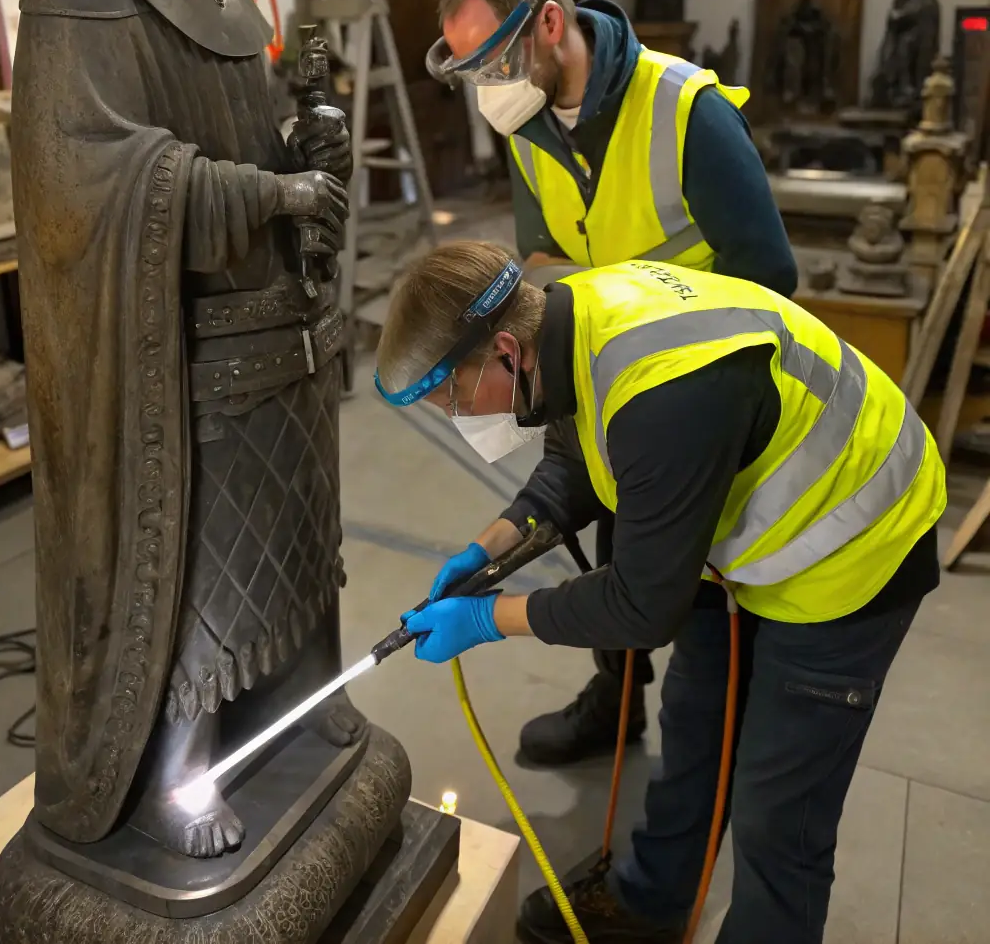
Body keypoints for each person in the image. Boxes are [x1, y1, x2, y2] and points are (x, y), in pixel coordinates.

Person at [374, 241, 945, 944]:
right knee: (694, 715)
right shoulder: (566, 316)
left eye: (453, 397)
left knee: (778, 808)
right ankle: (653, 900)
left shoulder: (664, 391)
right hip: (735, 530)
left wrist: (486, 617)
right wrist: (490, 548)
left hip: (853, 543)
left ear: (503, 350)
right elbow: (574, 457)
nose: (458, 417)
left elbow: (642, 604)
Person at [426, 0, 797, 767]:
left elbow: (772, 277)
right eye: (472, 70)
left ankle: (699, 754)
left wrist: (655, 328)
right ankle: (617, 695)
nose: (488, 86)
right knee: (602, 534)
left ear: (550, 24)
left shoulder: (682, 109)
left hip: (698, 394)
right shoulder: (526, 129)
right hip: (604, 376)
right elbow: (542, 261)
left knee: (680, 590)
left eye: (494, 59)